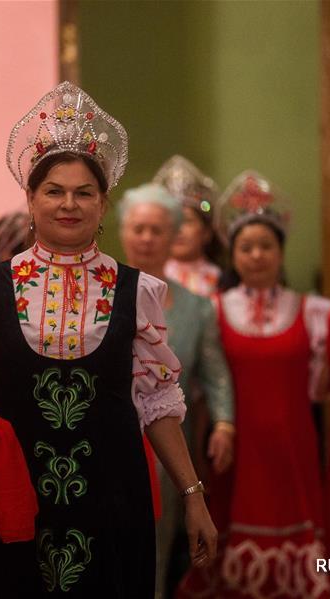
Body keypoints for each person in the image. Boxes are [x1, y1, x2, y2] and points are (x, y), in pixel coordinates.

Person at [0, 82, 219, 598]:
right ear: (30, 198)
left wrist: (193, 495)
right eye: (54, 191)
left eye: (84, 192)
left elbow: (158, 404)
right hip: (18, 502)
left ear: (104, 202)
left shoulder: (139, 291)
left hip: (116, 503)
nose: (69, 204)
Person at [176, 171, 330, 599]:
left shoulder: (311, 310)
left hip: (294, 450)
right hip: (236, 450)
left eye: (266, 246)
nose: (257, 255)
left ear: (280, 252)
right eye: (246, 247)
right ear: (233, 255)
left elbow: (320, 387)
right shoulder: (212, 311)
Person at [118, 182, 235, 598]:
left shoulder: (196, 306)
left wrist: (224, 424)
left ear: (172, 236)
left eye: (157, 229)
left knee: (156, 554)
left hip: (168, 451)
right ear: (123, 233)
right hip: (105, 445)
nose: (147, 238)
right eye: (138, 229)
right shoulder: (101, 296)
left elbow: (215, 373)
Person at [154, 156, 225, 298]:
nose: (178, 230)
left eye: (187, 221)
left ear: (207, 232)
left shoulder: (221, 280)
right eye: (173, 222)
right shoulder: (153, 276)